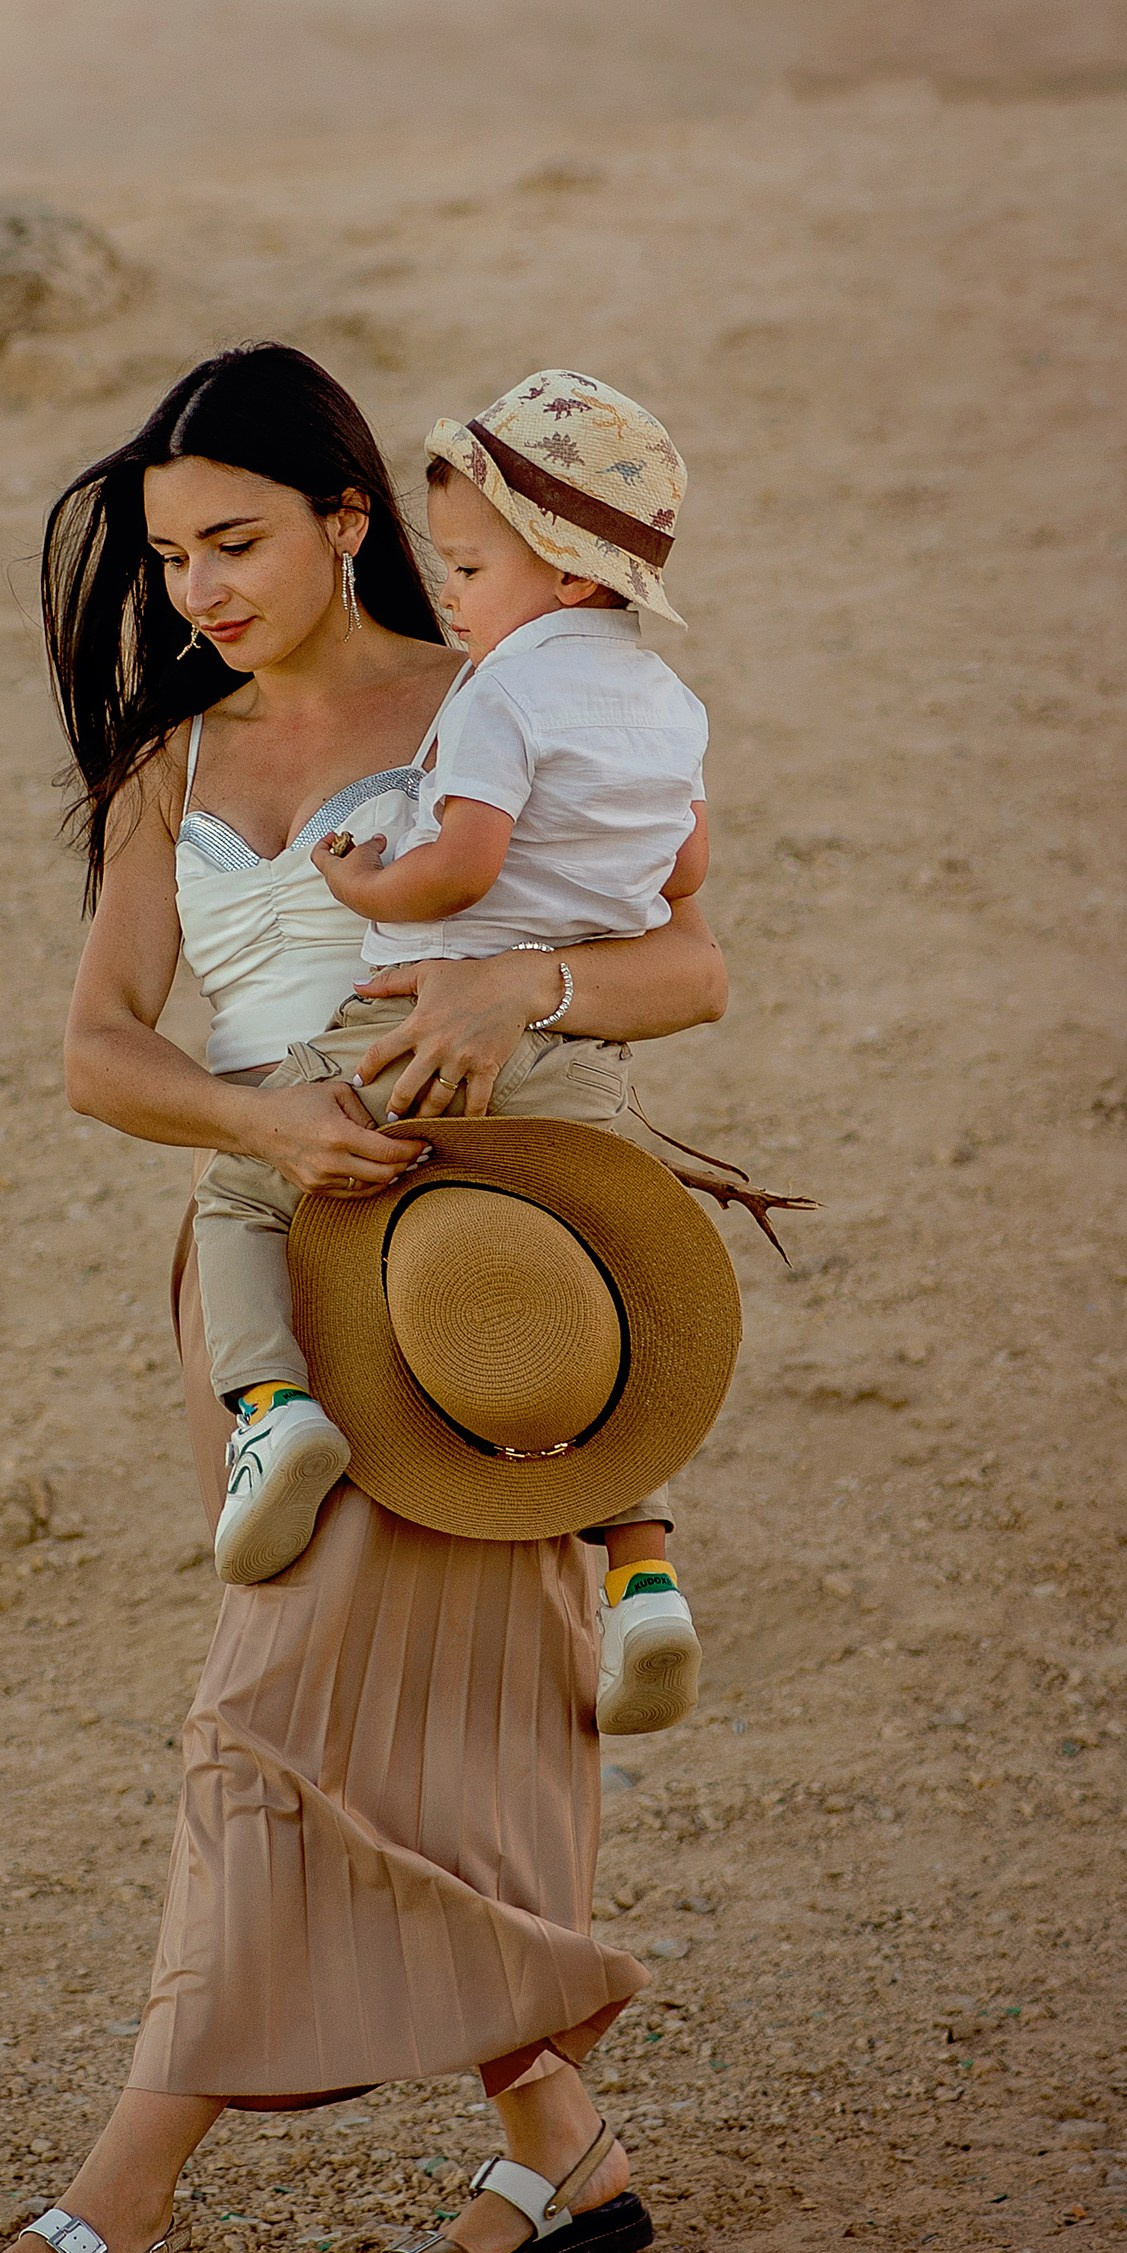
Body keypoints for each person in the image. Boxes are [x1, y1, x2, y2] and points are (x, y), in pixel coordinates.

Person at [0, 342, 730, 2253]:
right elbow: (101, 1052)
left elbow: (691, 956)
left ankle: (109, 2215)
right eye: (174, 552)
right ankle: (565, 2140)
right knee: (353, 1714)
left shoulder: (495, 698)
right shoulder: (166, 770)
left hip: (474, 1283)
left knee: (288, 1714)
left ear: (351, 515)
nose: (199, 585)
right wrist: (266, 1124)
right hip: (278, 1293)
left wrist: (521, 972)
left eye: (239, 538)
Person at [187, 371, 708, 1740]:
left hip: (418, 1032)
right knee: (600, 1277)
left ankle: (270, 1404)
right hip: (577, 1070)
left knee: (242, 1189)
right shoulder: (668, 703)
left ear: (572, 577)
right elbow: (683, 870)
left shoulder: (493, 694)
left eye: (472, 566)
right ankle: (645, 1569)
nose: (458, 595)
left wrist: (366, 881)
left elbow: (462, 859)